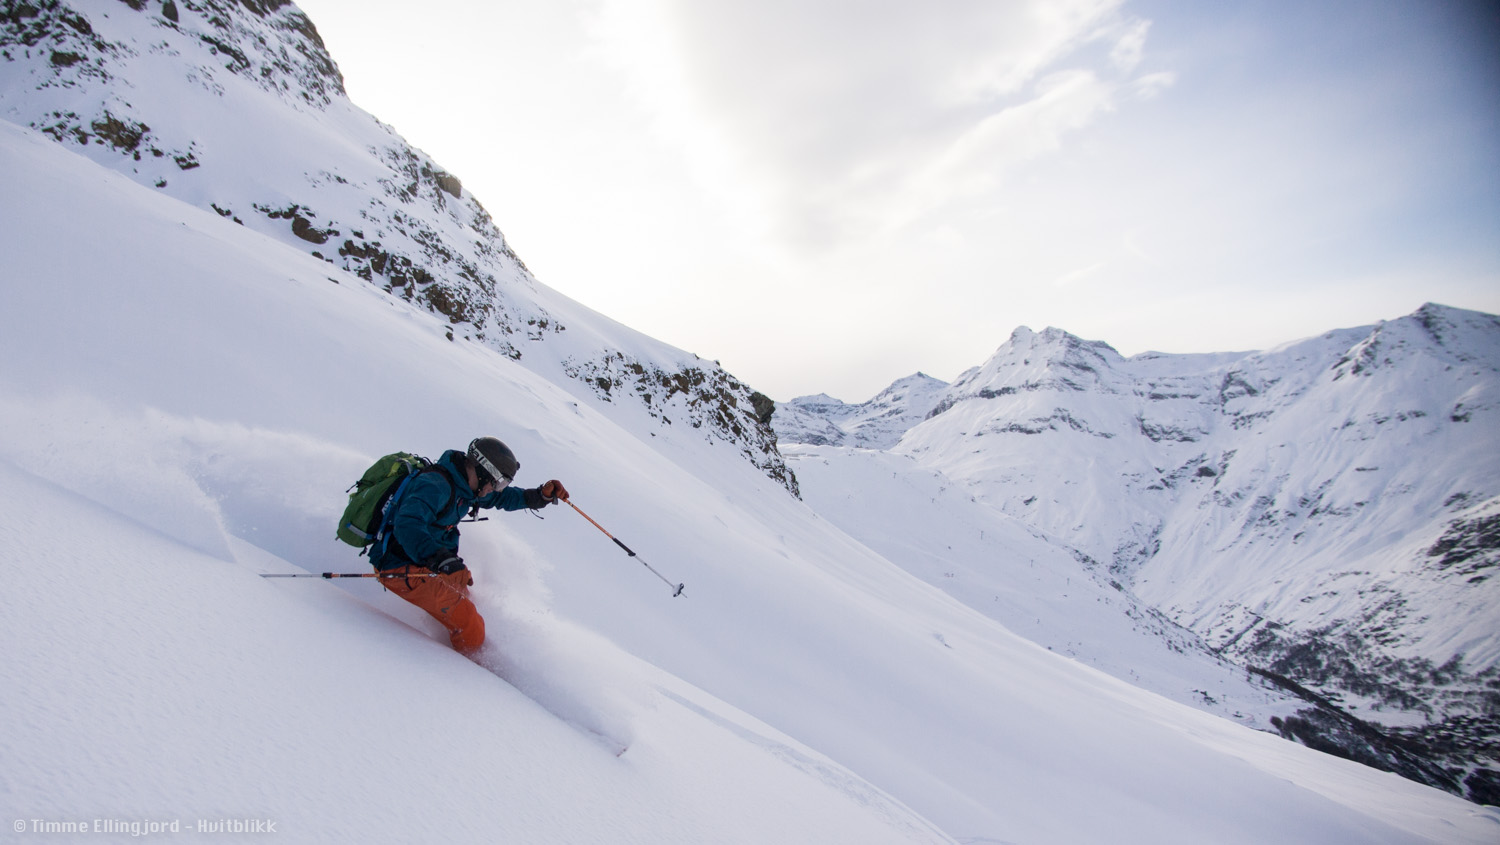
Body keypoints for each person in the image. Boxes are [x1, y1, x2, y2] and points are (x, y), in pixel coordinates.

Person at [368, 436, 568, 654]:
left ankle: (465, 649)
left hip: (432, 565)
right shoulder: (435, 486)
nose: (497, 489)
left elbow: (504, 499)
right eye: (498, 483)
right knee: (467, 617)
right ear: (483, 472)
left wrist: (540, 496)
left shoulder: (467, 488)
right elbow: (407, 524)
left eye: (503, 484)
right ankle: (470, 674)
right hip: (398, 566)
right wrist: (439, 557)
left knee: (469, 600)